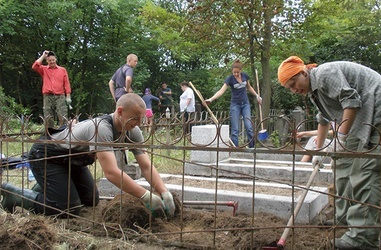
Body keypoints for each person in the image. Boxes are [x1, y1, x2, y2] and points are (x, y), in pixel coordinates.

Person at [278, 56, 381, 249]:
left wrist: (340, 138)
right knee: (341, 163)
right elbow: (323, 119)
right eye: (289, 88)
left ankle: (363, 237)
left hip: (378, 110)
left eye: (294, 83)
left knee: (365, 170)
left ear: (303, 72)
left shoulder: (325, 74)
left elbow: (351, 101)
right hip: (359, 116)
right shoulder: (313, 90)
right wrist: (319, 150)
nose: (294, 90)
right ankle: (344, 216)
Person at [0, 93, 175, 218]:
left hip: (73, 161)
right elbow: (112, 173)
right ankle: (15, 195)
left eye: (141, 118)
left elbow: (145, 166)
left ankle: (49, 188)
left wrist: (163, 191)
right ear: (120, 112)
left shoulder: (133, 131)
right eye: (135, 118)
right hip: (47, 155)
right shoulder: (102, 128)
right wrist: (145, 196)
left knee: (91, 199)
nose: (139, 123)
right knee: (67, 208)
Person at [205, 59, 262, 148]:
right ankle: (235, 149)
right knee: (235, 129)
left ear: (241, 70)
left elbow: (249, 87)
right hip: (235, 105)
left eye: (237, 72)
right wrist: (211, 99)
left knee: (249, 127)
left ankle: (252, 148)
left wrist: (257, 96)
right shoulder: (230, 79)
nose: (235, 74)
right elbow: (221, 91)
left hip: (245, 104)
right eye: (234, 72)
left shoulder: (245, 76)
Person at [32, 50, 72, 128]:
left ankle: (63, 132)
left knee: (62, 114)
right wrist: (43, 56)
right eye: (50, 60)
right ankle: (50, 133)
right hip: (47, 96)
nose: (52, 62)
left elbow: (66, 83)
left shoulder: (62, 70)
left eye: (53, 60)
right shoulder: (43, 69)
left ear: (56, 59)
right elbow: (34, 66)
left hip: (60, 95)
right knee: (48, 115)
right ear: (47, 61)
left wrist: (68, 95)